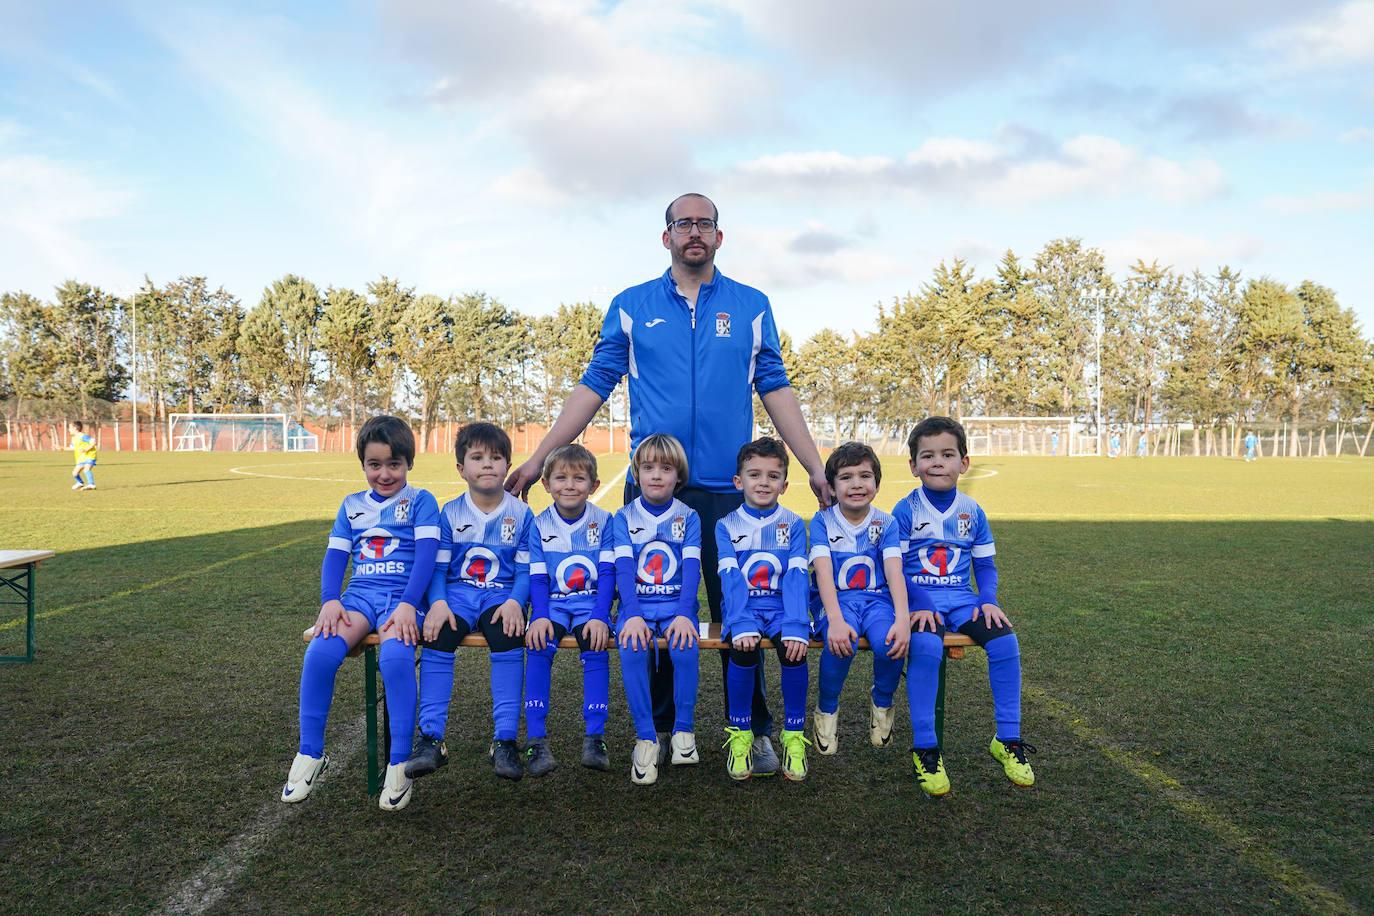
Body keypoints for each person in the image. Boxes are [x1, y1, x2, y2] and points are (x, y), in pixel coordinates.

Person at [506, 193, 832, 775]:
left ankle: (754, 729)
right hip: (655, 488)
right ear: (666, 237)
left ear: (719, 236)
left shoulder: (752, 305)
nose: (694, 232)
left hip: (731, 493)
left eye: (704, 223)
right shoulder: (631, 306)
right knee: (650, 605)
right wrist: (540, 459)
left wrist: (813, 464)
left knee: (743, 607)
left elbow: (776, 387)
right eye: (683, 224)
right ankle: (657, 731)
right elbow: (594, 384)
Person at [282, 415, 439, 812]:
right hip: (360, 597)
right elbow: (336, 555)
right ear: (363, 464)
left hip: (405, 599)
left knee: (396, 657)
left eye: (394, 464)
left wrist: (408, 605)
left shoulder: (421, 501)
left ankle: (399, 762)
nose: (384, 474)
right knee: (319, 651)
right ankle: (310, 754)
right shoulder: (352, 506)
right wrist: (330, 599)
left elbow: (426, 557)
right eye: (375, 465)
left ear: (409, 464)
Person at [893, 416, 1035, 796]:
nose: (938, 462)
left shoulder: (972, 510)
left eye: (947, 454)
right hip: (918, 602)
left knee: (1005, 641)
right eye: (928, 456)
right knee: (924, 646)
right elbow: (895, 569)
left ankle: (1007, 740)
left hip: (962, 599)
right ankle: (926, 748)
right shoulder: (905, 511)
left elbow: (985, 565)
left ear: (964, 462)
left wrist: (987, 600)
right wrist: (920, 603)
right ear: (913, 466)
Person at [409, 423, 533, 782]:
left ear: (508, 465)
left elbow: (525, 573)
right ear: (461, 468)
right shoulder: (449, 513)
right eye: (477, 458)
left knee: (507, 634)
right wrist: (438, 603)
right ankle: (431, 738)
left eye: (496, 457)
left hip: (500, 595)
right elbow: (438, 570)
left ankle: (505, 740)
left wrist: (515, 602)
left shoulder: (522, 515)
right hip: (458, 596)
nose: (487, 465)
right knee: (438, 634)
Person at [809, 441, 912, 759]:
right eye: (846, 477)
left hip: (877, 601)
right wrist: (835, 619)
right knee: (842, 641)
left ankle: (882, 702)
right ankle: (826, 709)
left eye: (865, 476)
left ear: (877, 484)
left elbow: (895, 571)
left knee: (890, 643)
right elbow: (823, 573)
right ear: (831, 486)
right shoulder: (822, 521)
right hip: (835, 601)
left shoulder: (887, 522)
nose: (856, 484)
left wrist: (903, 619)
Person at [717, 438, 811, 781]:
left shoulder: (795, 524)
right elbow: (730, 577)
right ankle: (741, 734)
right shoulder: (726, 525)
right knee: (742, 651)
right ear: (739, 481)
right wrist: (740, 621)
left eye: (773, 476)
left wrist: (798, 623)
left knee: (794, 651)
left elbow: (798, 575)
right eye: (754, 474)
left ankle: (794, 737)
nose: (763, 482)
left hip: (784, 609)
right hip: (744, 609)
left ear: (784, 485)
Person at [613, 434, 701, 785]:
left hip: (676, 606)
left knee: (685, 645)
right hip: (638, 607)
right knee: (632, 647)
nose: (656, 475)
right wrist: (631, 614)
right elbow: (622, 569)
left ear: (678, 476)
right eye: (648, 468)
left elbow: (692, 569)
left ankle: (683, 733)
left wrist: (684, 613)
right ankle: (646, 737)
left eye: (666, 468)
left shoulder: (688, 517)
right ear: (636, 473)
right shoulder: (623, 517)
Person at [523, 444, 616, 775]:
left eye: (579, 478)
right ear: (546, 484)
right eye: (561, 478)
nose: (570, 485)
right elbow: (537, 578)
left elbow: (607, 574)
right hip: (554, 606)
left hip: (590, 605)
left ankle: (595, 736)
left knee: (595, 644)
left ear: (593, 485)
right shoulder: (538, 524)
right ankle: (536, 738)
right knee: (538, 644)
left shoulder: (605, 522)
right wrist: (540, 616)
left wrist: (600, 616)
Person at [69, 421, 97, 490]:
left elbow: (94, 442)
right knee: (75, 473)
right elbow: (72, 448)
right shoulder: (74, 438)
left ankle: (91, 484)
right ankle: (80, 483)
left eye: (70, 428)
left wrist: (86, 449)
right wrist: (61, 448)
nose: (68, 430)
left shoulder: (82, 436)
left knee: (86, 469)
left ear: (75, 428)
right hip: (81, 458)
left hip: (90, 455)